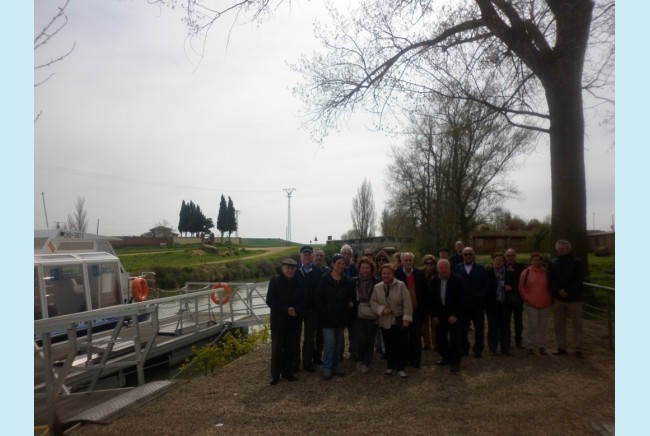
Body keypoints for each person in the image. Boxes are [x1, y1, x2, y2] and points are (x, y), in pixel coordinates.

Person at [315, 253, 355, 380]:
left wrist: (350, 302)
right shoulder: (324, 279)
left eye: (343, 264)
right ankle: (327, 367)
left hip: (341, 317)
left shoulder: (346, 280)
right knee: (329, 343)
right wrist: (324, 309)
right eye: (338, 263)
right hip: (327, 318)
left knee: (338, 343)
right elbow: (318, 298)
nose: (341, 266)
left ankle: (336, 366)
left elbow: (351, 296)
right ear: (333, 264)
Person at [266, 258, 306, 385]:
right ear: (283, 269)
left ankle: (288, 373)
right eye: (287, 268)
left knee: (290, 348)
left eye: (292, 268)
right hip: (279, 321)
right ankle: (275, 375)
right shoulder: (275, 281)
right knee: (277, 349)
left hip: (293, 321)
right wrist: (286, 309)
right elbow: (270, 300)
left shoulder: (299, 282)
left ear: (295, 270)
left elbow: (305, 299)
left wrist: (296, 309)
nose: (290, 270)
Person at [371, 263, 413, 379]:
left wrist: (406, 318)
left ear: (392, 274)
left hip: (398, 320)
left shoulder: (401, 285)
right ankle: (390, 366)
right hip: (384, 321)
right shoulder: (377, 287)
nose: (386, 275)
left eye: (388, 273)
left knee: (400, 345)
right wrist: (382, 309)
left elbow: (407, 303)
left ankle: (400, 368)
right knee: (388, 345)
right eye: (384, 273)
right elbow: (373, 302)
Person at [548, 240, 585, 358]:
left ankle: (578, 348)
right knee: (559, 323)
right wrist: (558, 290)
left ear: (568, 249)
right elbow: (551, 279)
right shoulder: (553, 262)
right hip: (558, 298)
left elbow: (578, 279)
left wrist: (567, 291)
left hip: (573, 298)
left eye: (562, 248)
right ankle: (561, 347)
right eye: (558, 249)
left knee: (577, 324)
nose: (560, 250)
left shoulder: (577, 262)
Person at [394, 252, 428, 368]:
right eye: (406, 260)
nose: (408, 262)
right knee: (403, 338)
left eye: (410, 260)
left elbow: (424, 294)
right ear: (402, 261)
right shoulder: (396, 274)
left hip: (416, 311)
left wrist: (423, 312)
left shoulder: (419, 274)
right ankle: (404, 360)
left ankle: (415, 360)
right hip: (402, 312)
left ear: (413, 261)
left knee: (416, 337)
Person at [454, 247, 489, 358]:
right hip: (463, 305)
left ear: (473, 255)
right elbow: (454, 286)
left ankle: (478, 350)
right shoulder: (457, 268)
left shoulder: (480, 268)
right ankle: (464, 349)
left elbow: (486, 285)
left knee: (479, 329)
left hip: (477, 304)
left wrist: (480, 296)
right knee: (462, 329)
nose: (468, 256)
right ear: (462, 256)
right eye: (465, 254)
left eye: (470, 254)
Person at [431, 259, 464, 373]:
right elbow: (432, 300)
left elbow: (462, 300)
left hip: (454, 314)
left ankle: (455, 363)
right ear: (438, 269)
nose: (443, 270)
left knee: (455, 340)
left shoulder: (457, 280)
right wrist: (434, 315)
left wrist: (455, 315)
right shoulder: (434, 281)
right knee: (440, 340)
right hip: (440, 314)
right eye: (441, 268)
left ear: (449, 268)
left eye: (446, 268)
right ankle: (446, 358)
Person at [296, 245, 324, 372]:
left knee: (309, 336)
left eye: (309, 254)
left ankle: (307, 362)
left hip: (312, 309)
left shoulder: (318, 272)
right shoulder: (294, 271)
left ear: (312, 256)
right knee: (295, 336)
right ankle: (295, 363)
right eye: (304, 254)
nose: (307, 256)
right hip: (297, 309)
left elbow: (320, 291)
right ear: (300, 256)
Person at [519, 252, 553, 355]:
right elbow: (521, 286)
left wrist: (550, 298)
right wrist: (526, 297)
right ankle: (530, 345)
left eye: (538, 260)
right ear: (531, 261)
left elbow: (550, 287)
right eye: (534, 260)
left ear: (541, 261)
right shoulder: (526, 272)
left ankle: (542, 346)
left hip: (544, 302)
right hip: (531, 303)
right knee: (532, 325)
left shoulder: (546, 273)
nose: (536, 262)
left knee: (542, 325)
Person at [352, 256, 380, 373]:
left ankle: (366, 362)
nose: (365, 270)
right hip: (358, 313)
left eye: (367, 268)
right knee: (360, 339)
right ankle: (360, 359)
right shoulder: (354, 281)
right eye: (363, 267)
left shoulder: (377, 282)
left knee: (370, 339)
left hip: (371, 313)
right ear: (359, 268)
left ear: (371, 269)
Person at [485, 252, 512, 356]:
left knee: (505, 326)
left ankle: (505, 348)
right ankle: (493, 348)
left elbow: (514, 284)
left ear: (503, 262)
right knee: (492, 326)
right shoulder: (488, 271)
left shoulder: (509, 272)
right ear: (493, 261)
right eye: (496, 260)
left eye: (500, 260)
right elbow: (485, 285)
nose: (498, 262)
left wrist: (510, 287)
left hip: (505, 303)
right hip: (492, 303)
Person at [505, 248, 526, 349]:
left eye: (512, 255)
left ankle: (519, 340)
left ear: (515, 256)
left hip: (518, 298)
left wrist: (513, 288)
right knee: (506, 322)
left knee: (518, 322)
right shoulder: (502, 266)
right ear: (505, 257)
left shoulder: (521, 268)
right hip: (506, 299)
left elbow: (524, 283)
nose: (510, 257)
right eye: (508, 255)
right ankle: (507, 341)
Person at [421, 254, 437, 351]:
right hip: (424, 302)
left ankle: (436, 343)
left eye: (431, 263)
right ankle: (426, 343)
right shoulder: (421, 274)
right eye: (427, 263)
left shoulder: (438, 273)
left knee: (434, 324)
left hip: (434, 302)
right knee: (424, 325)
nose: (429, 265)